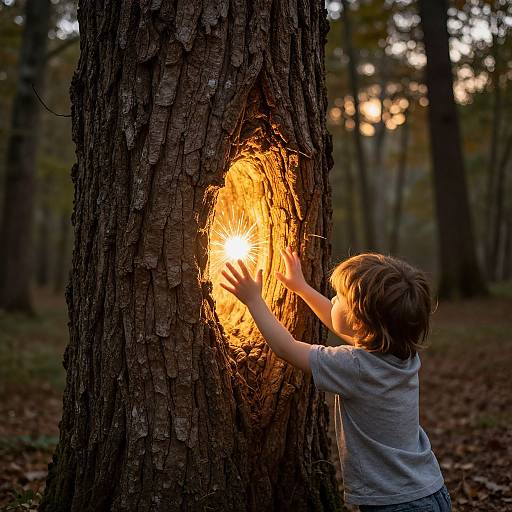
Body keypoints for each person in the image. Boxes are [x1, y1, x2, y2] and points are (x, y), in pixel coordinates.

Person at [220, 248, 451, 512]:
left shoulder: (355, 367)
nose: (333, 300)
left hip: (395, 503)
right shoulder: (402, 356)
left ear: (360, 322)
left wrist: (253, 301)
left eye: (340, 298)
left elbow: (287, 348)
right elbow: (343, 323)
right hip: (431, 490)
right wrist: (302, 289)